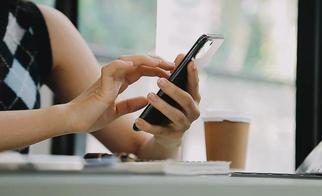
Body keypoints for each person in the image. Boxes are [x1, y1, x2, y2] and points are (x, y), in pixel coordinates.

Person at [0, 0, 201, 160]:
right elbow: (76, 114)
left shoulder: (39, 26)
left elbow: (139, 151)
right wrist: (69, 116)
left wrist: (167, 139)